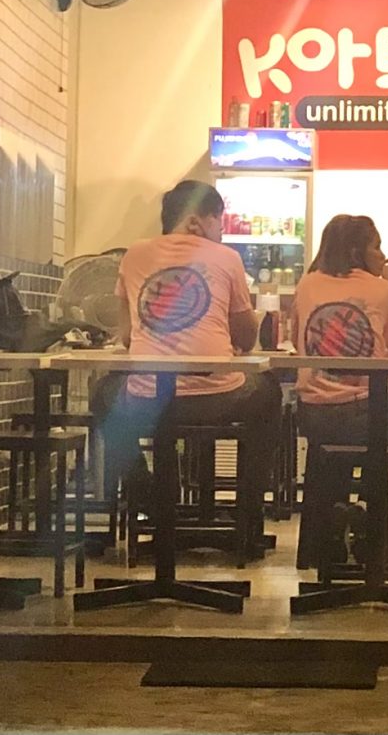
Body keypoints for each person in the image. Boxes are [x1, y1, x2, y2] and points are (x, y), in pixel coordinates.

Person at [111, 180, 282, 557]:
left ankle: (150, 495)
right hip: (213, 399)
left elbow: (125, 336)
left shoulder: (134, 254)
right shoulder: (227, 258)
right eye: (218, 221)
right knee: (269, 393)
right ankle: (248, 516)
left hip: (147, 402)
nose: (221, 231)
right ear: (195, 221)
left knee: (105, 398)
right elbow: (246, 336)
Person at [286, 215, 388, 570]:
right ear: (357, 251)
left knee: (331, 452)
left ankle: (326, 536)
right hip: (365, 412)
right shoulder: (381, 290)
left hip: (314, 413)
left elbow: (297, 338)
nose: (382, 254)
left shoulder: (307, 284)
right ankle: (372, 534)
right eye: (376, 246)